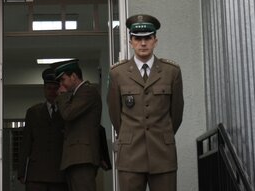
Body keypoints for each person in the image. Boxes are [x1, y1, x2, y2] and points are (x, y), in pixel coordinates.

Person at [107, 14, 184, 191]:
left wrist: (162, 135)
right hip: (130, 155)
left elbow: (176, 113)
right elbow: (115, 114)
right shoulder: (117, 73)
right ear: (130, 41)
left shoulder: (171, 72)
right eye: (138, 38)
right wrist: (129, 135)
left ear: (155, 40)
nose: (143, 43)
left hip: (163, 153)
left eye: (148, 38)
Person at [53, 59, 102, 191]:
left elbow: (68, 114)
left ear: (74, 76)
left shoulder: (87, 91)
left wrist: (62, 96)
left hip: (82, 158)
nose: (61, 85)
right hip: (76, 158)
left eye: (63, 80)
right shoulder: (76, 95)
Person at [18, 68, 68, 191]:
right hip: (36, 174)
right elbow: (26, 143)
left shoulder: (67, 111)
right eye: (48, 88)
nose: (52, 92)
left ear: (60, 89)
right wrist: (21, 171)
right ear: (44, 90)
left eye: (55, 88)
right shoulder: (33, 112)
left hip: (60, 173)